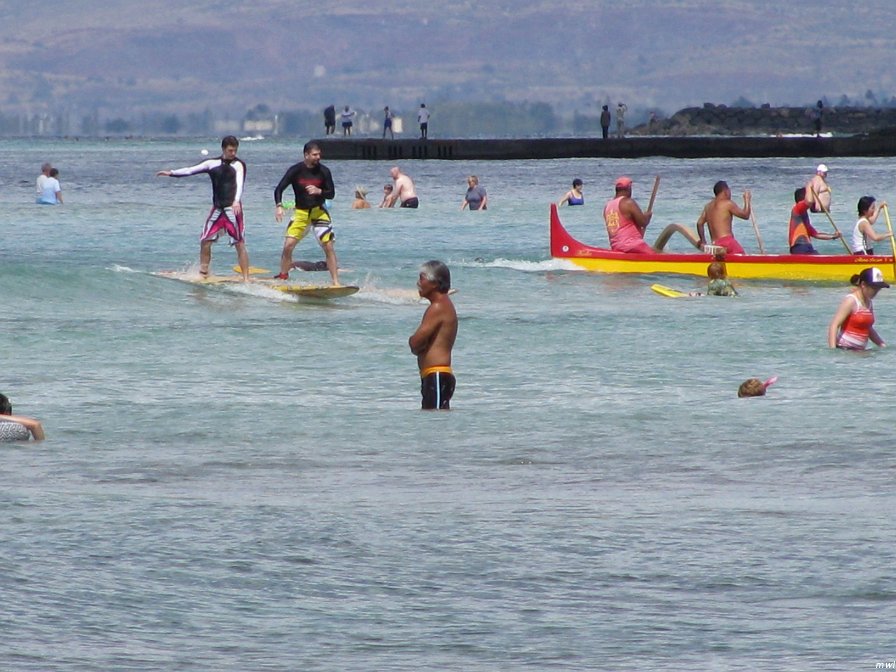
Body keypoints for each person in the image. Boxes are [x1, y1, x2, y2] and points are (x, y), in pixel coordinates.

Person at [156, 136, 250, 280]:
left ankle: (246, 278)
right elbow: (190, 170)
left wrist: (236, 201)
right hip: (218, 209)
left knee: (239, 243)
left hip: (233, 208)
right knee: (205, 240)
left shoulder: (238, 165)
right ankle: (204, 273)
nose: (233, 153)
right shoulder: (211, 163)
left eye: (235, 150)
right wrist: (172, 173)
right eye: (230, 150)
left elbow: (239, 184)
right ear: (224, 149)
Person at [273, 141, 339, 286]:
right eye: (315, 155)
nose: (318, 157)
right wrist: (279, 206)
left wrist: (319, 191)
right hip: (301, 213)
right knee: (288, 245)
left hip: (318, 213)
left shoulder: (324, 171)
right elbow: (279, 189)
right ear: (306, 155)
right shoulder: (295, 170)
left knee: (328, 246)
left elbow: (332, 194)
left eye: (319, 154)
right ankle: (283, 276)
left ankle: (335, 282)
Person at [409, 260, 457, 410]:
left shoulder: (437, 307)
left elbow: (416, 343)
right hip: (435, 375)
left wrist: (413, 342)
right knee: (433, 423)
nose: (418, 283)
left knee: (435, 424)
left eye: (422, 278)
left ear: (434, 283)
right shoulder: (443, 305)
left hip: (436, 375)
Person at [828, 267, 889, 350]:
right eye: (874, 288)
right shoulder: (851, 300)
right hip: (845, 350)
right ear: (863, 284)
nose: (876, 292)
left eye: (878, 289)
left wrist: (882, 345)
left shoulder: (869, 302)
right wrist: (832, 350)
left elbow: (868, 328)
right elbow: (834, 325)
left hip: (859, 352)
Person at [695, 180, 751, 255]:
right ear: (725, 191)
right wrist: (747, 200)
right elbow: (745, 215)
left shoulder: (708, 206)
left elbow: (699, 223)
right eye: (729, 191)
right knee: (742, 257)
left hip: (715, 244)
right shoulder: (727, 203)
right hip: (727, 242)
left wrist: (703, 241)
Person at [603, 176, 654, 253]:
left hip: (616, 247)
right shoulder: (628, 202)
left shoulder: (607, 206)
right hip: (633, 245)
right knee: (654, 256)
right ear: (628, 189)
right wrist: (648, 216)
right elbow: (643, 222)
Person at [789, 187, 842, 254]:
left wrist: (833, 236)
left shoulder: (804, 217)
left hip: (807, 246)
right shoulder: (797, 209)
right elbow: (808, 202)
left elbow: (816, 234)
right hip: (799, 246)